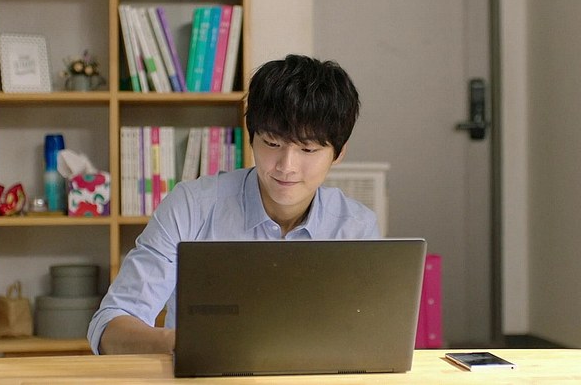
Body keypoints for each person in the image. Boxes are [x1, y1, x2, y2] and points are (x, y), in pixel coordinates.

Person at [88, 54, 380, 354]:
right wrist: (182, 344)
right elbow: (109, 326)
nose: (286, 166)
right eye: (272, 143)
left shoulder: (355, 228)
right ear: (251, 138)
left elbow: (371, 338)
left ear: (339, 152)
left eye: (308, 149)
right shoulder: (192, 207)